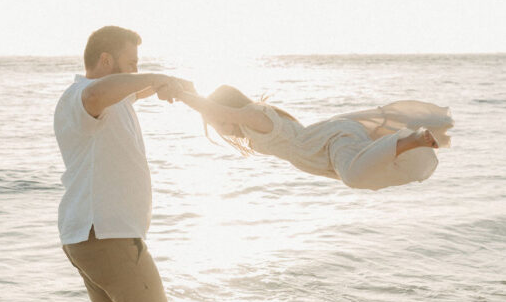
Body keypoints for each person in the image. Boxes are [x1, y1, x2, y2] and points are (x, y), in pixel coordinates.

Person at [53, 25, 192, 302]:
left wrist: (167, 85)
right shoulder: (84, 98)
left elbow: (129, 91)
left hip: (91, 234)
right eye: (130, 65)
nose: (135, 73)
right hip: (105, 235)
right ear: (106, 61)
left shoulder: (116, 101)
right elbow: (100, 92)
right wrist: (153, 78)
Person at [168, 84, 452, 190]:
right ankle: (404, 145)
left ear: (230, 109)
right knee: (369, 176)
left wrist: (182, 95)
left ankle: (411, 140)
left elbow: (212, 107)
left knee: (355, 176)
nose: (220, 126)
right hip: (325, 152)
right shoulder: (253, 126)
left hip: (332, 140)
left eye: (218, 119)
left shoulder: (257, 116)